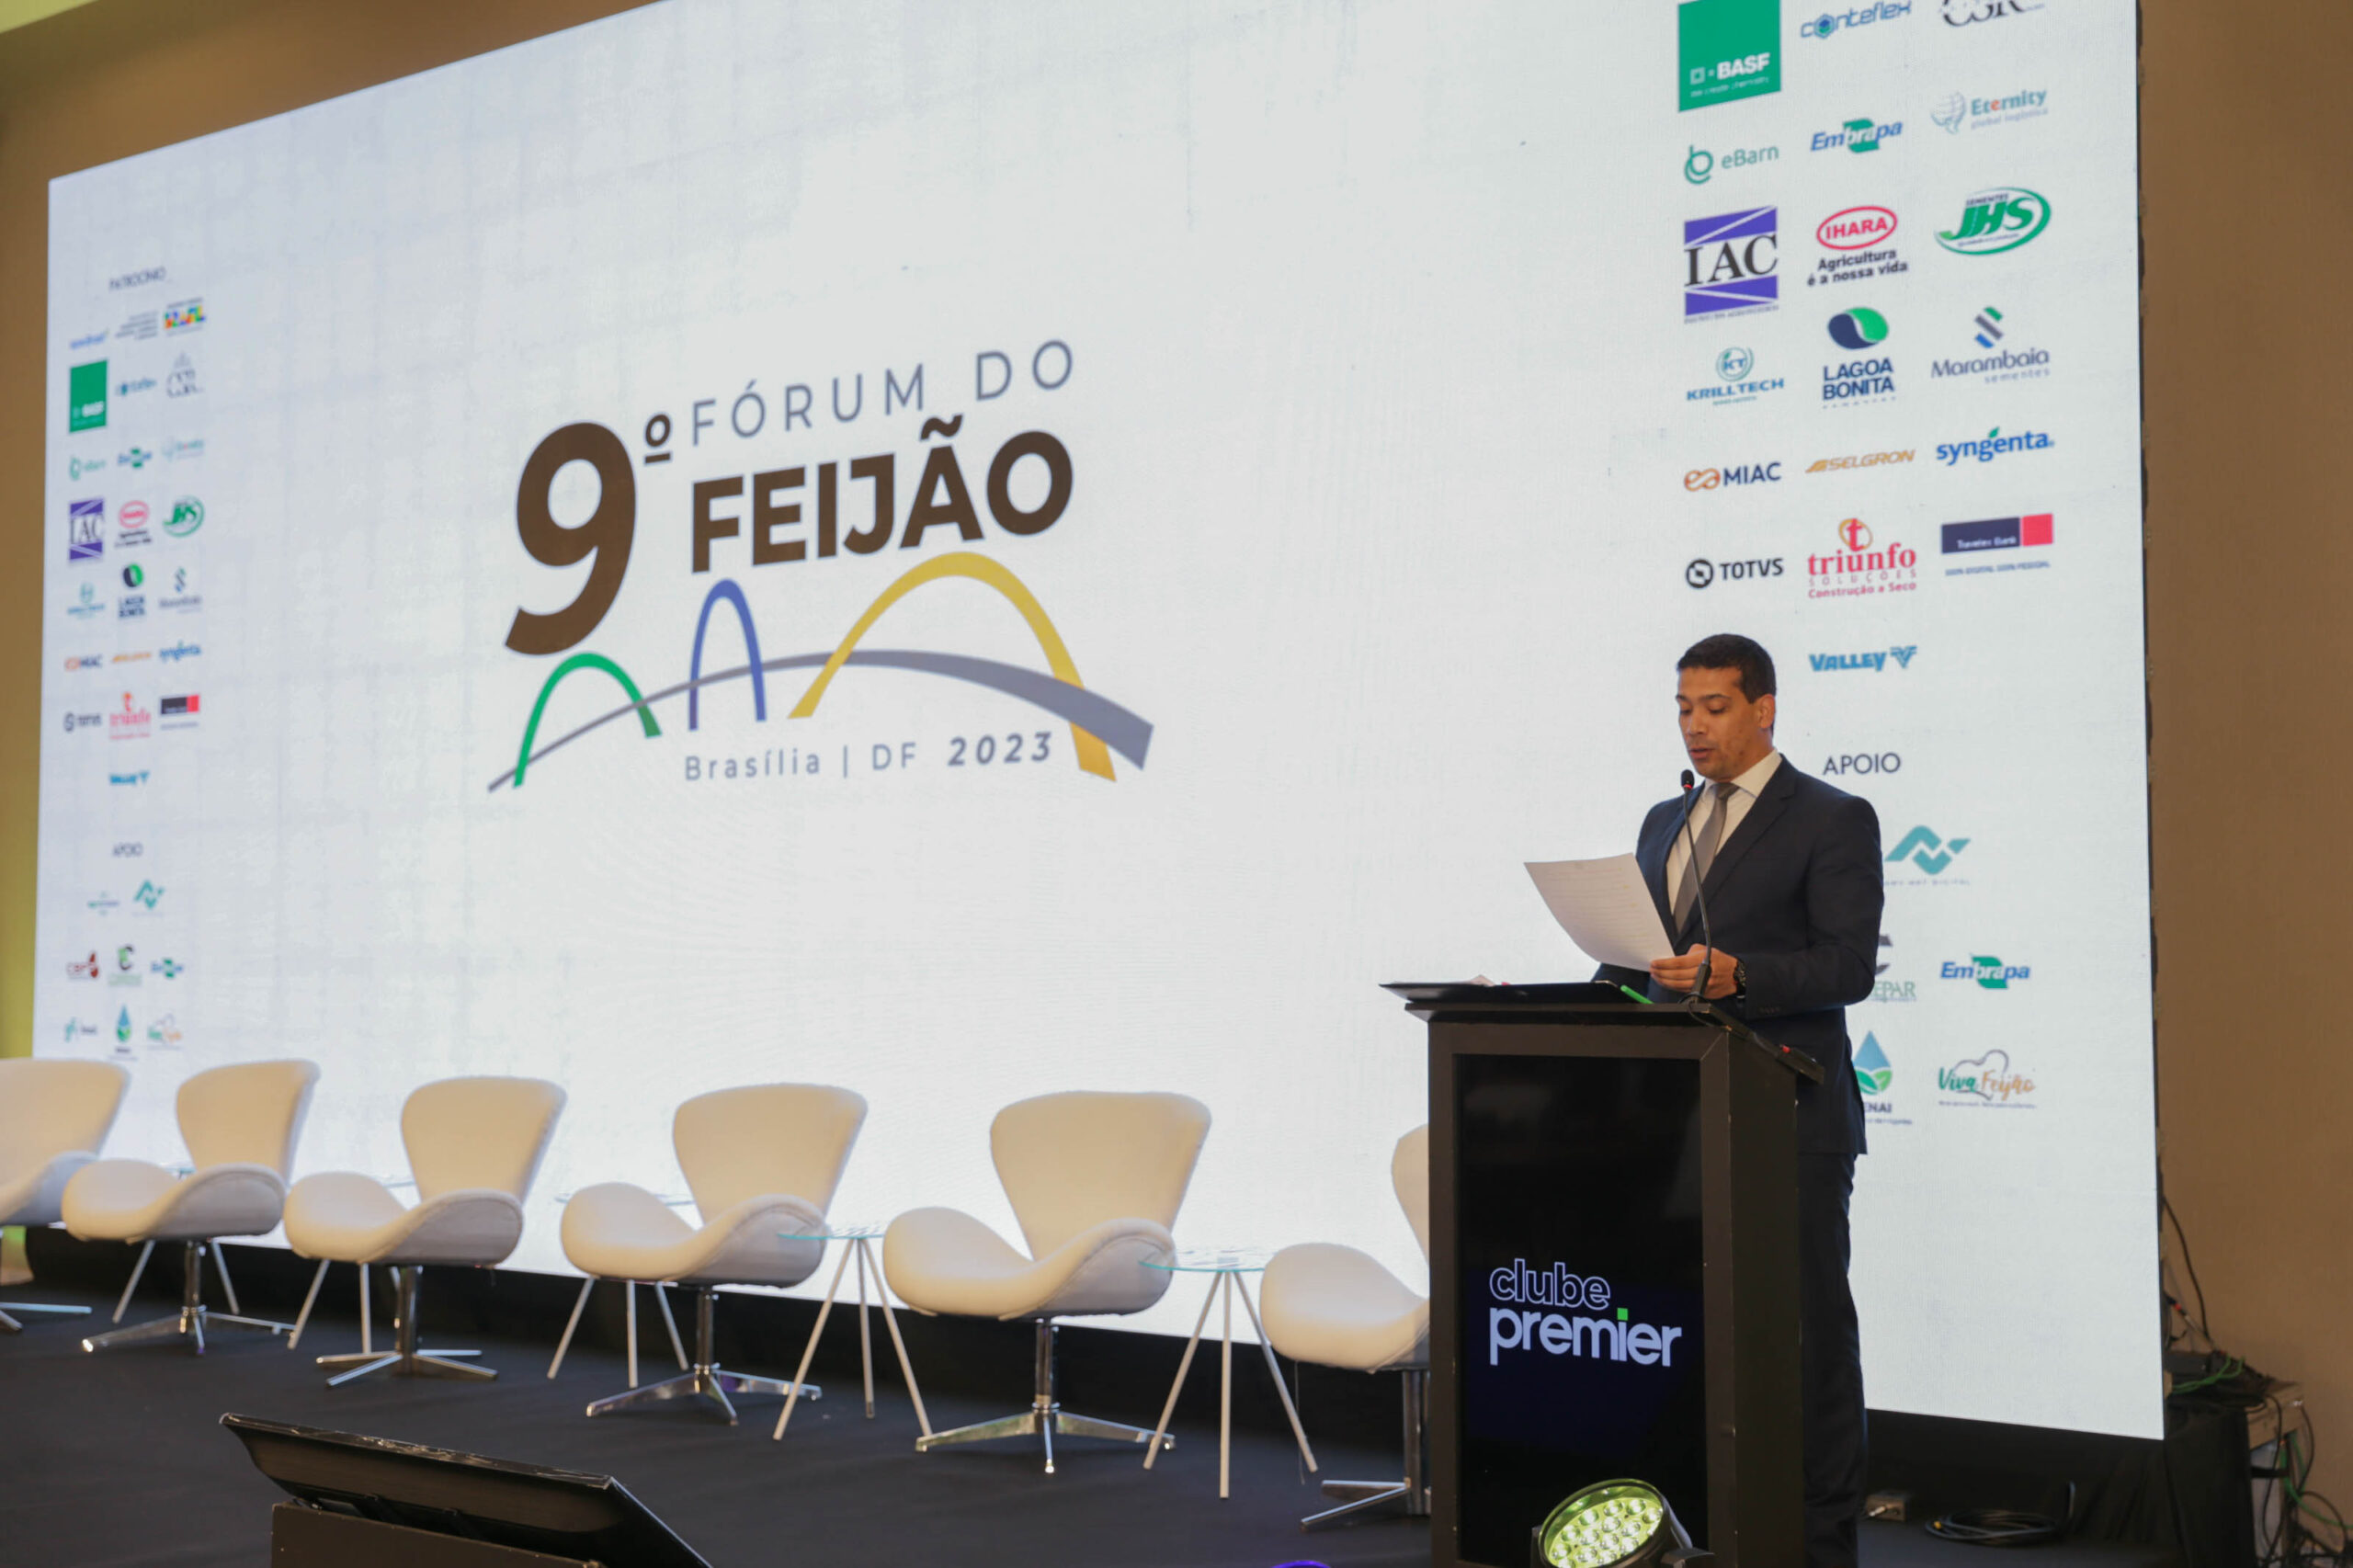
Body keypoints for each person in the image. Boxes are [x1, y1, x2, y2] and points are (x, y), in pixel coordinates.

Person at [1592, 631, 1881, 1568]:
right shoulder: (1662, 820)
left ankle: (1820, 1536)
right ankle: (1701, 1521)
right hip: (1675, 1121)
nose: (1695, 725)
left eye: (1714, 706)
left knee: (1805, 1334)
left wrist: (1740, 975)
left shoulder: (1832, 817)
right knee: (1684, 1333)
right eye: (1683, 708)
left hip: (1785, 1116)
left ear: (1763, 708)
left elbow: (1848, 965)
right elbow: (1637, 960)